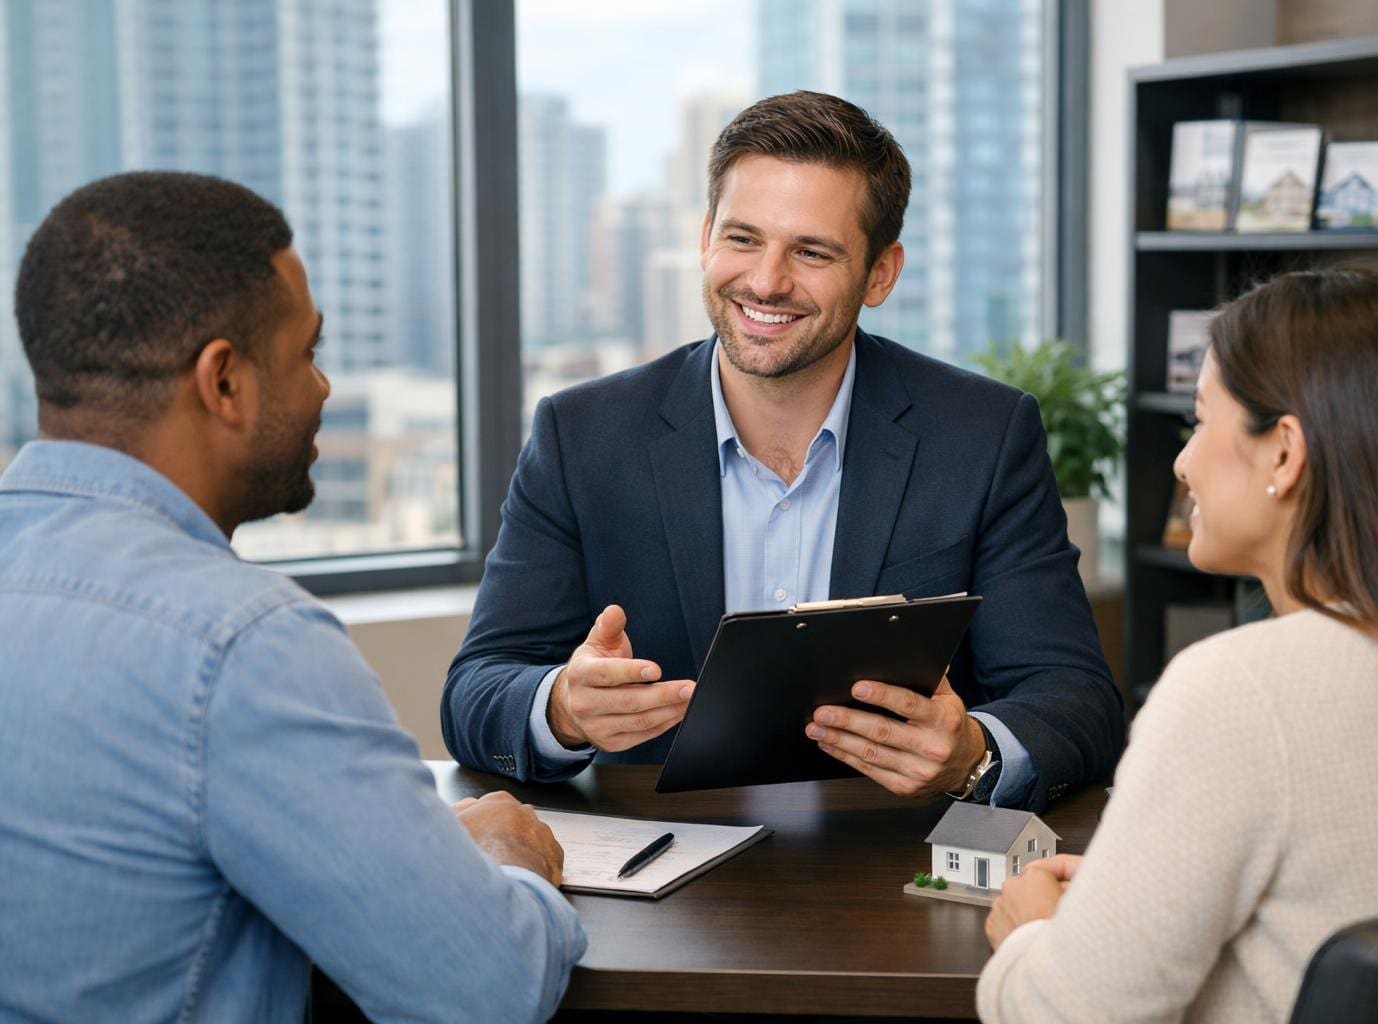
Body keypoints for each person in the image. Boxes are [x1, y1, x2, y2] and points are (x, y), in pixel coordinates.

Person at [0, 172, 585, 1022]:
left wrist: (411, 862)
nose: (323, 389)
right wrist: (503, 864)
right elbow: (486, 990)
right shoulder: (241, 647)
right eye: (307, 352)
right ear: (224, 382)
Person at [441, 91, 1122, 811]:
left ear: (882, 273)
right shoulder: (579, 435)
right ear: (706, 237)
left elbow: (1075, 700)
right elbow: (478, 688)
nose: (766, 281)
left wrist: (971, 752)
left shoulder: (983, 435)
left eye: (811, 251)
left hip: (885, 874)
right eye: (742, 239)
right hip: (658, 877)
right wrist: (561, 709)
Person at [977, 267, 1378, 1022]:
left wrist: (1032, 936)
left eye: (1201, 422)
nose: (1183, 463)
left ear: (1284, 453)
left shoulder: (1240, 688)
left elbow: (1069, 1012)